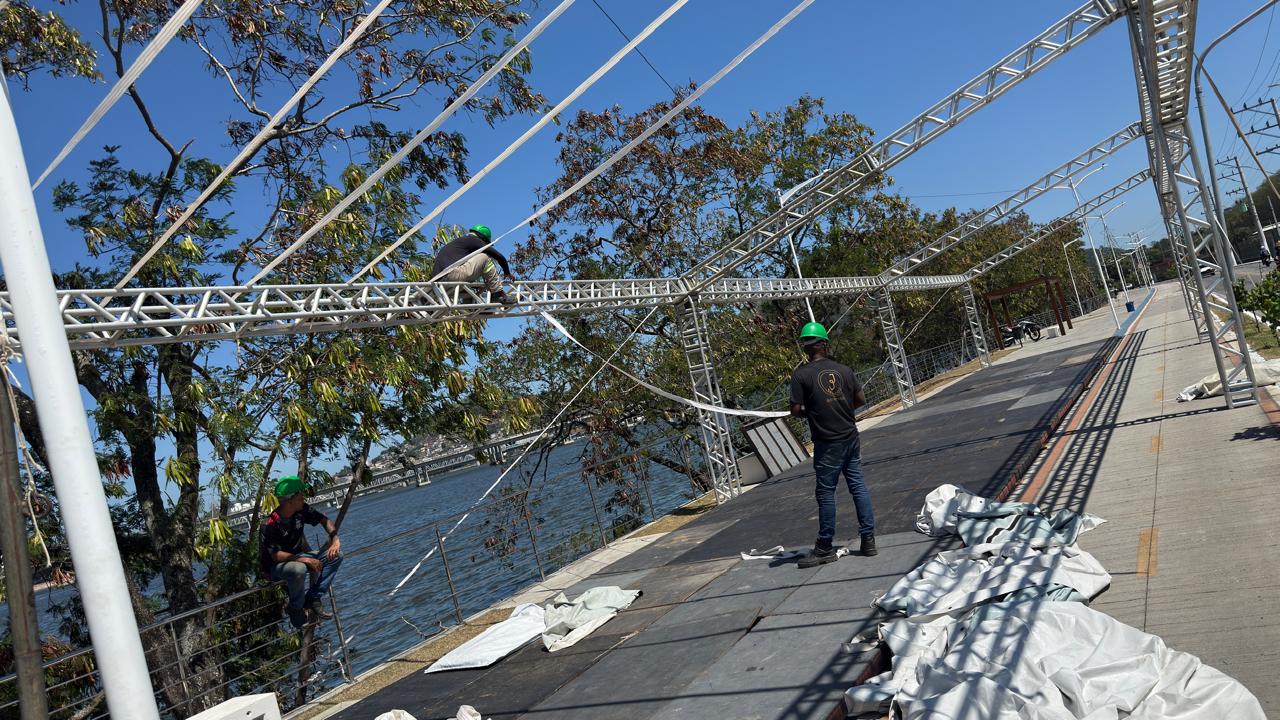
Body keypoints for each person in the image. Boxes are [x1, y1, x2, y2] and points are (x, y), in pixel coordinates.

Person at [789, 321, 876, 568]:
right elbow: (860, 399)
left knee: (826, 493)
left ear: (806, 347)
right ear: (825, 344)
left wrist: (814, 410)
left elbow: (795, 410)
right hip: (850, 436)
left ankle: (825, 547)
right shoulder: (844, 370)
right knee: (858, 486)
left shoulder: (801, 375)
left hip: (827, 442)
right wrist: (840, 406)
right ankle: (868, 540)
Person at [259, 475, 343, 628]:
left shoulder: (302, 510)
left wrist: (335, 539)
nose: (304, 498)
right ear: (289, 500)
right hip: (276, 566)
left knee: (336, 556)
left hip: (299, 558)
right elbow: (275, 555)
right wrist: (305, 559)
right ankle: (296, 608)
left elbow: (324, 520)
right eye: (300, 495)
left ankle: (313, 597)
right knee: (298, 569)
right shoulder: (269, 524)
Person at [431, 225, 517, 305]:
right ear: (483, 238)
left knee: (469, 293)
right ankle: (498, 294)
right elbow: (499, 257)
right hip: (451, 276)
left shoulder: (459, 244)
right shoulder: (473, 240)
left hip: (438, 285)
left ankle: (476, 310)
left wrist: (476, 285)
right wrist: (507, 273)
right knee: (484, 257)